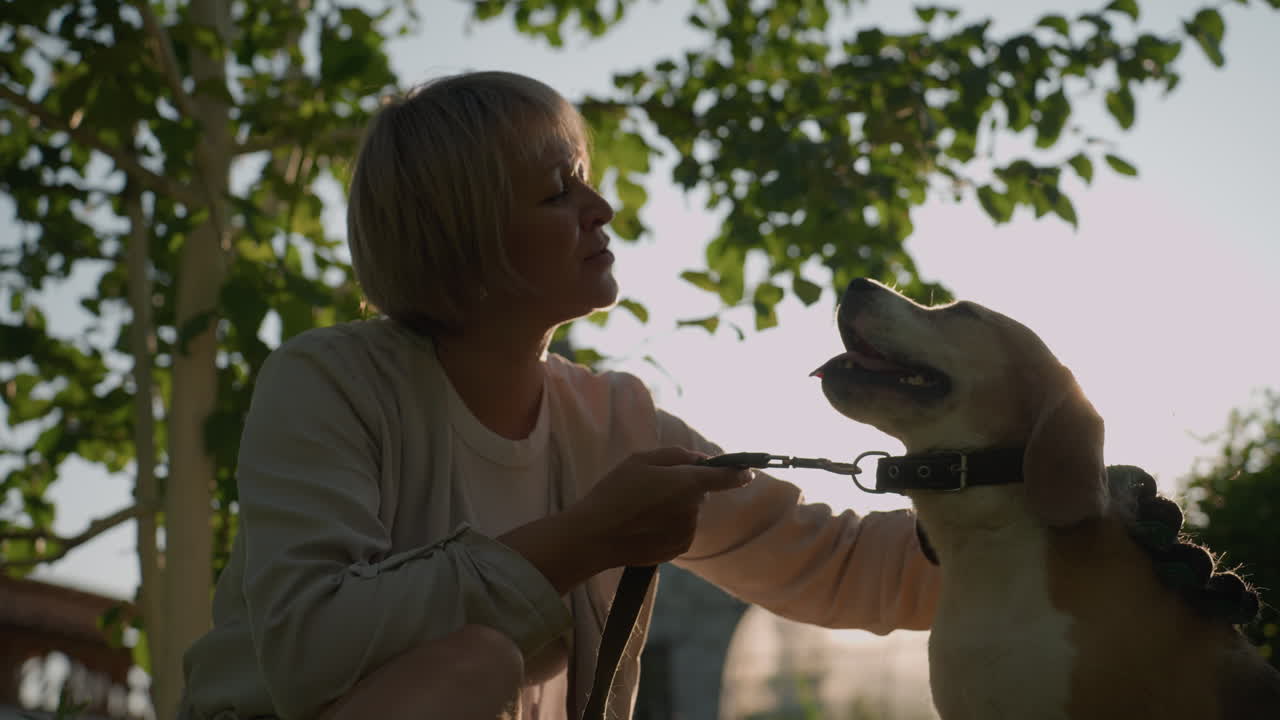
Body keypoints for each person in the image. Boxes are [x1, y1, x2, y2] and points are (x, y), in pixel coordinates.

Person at [180, 71, 939, 720]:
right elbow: (309, 646)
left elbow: (843, 567)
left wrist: (1020, 520)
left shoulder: (614, 424)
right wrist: (589, 537)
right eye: (557, 192)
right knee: (473, 665)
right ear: (461, 238)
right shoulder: (331, 382)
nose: (600, 208)